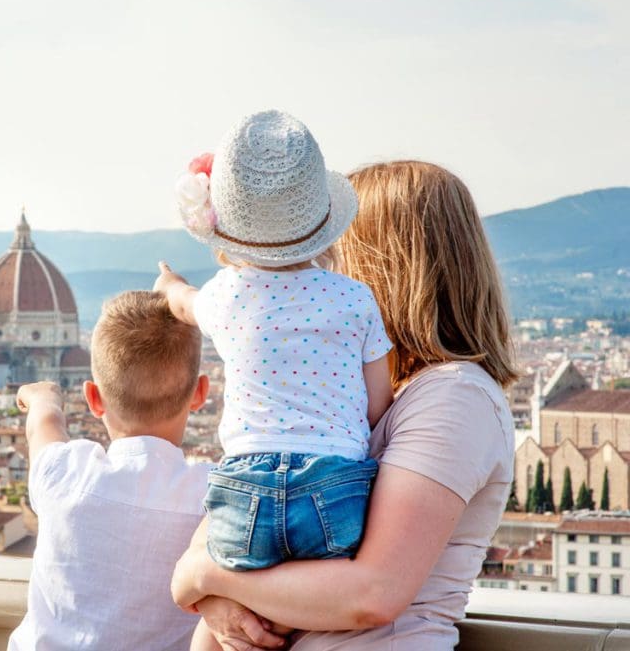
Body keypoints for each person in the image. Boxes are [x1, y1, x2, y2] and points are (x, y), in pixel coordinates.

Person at [170, 160, 519, 651]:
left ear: (382, 262)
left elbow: (372, 593)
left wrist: (207, 578)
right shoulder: (350, 402)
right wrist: (212, 592)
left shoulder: (455, 396)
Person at [155, 109, 394, 649]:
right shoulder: (356, 299)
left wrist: (167, 283)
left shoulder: (224, 294)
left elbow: (181, 302)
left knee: (220, 627)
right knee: (298, 614)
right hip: (335, 491)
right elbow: (378, 404)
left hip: (244, 495)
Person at [8, 290, 225, 651]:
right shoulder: (216, 496)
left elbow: (44, 425)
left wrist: (43, 396)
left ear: (93, 398)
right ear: (200, 393)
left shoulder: (65, 474)